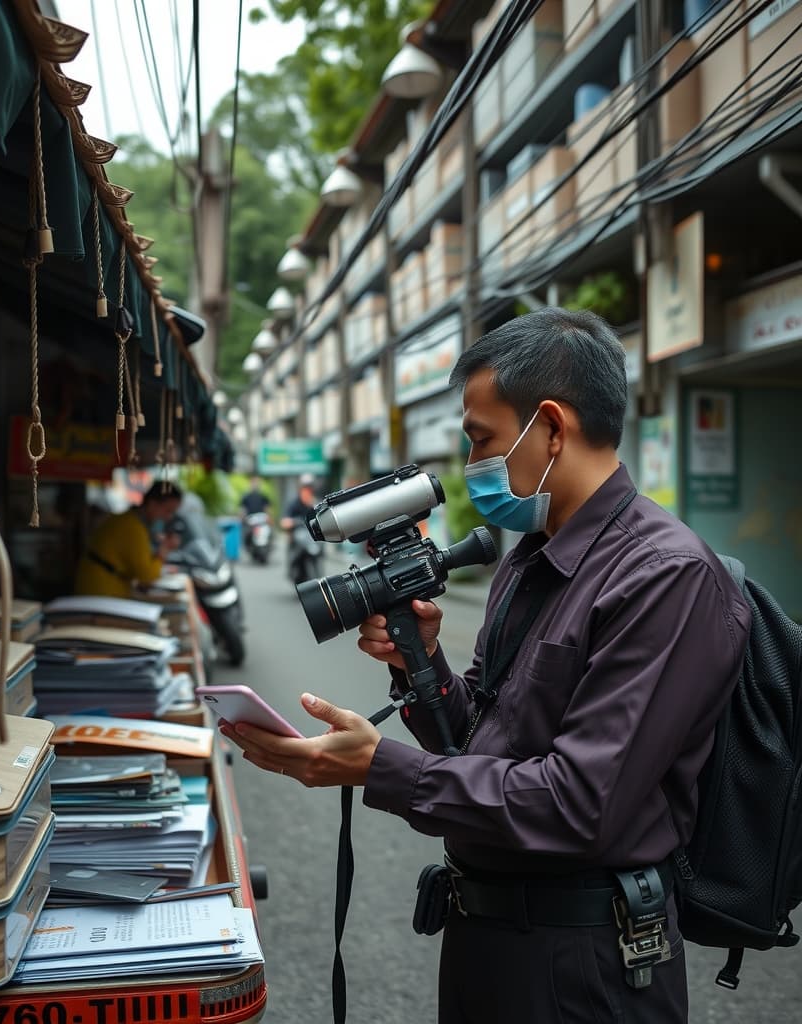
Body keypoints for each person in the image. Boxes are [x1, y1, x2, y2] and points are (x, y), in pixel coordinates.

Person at [218, 308, 751, 1024]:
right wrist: (423, 662)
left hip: (584, 961)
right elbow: (478, 742)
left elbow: (577, 804)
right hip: (488, 936)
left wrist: (377, 768)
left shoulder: (664, 576)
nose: (473, 466)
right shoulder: (531, 559)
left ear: (552, 429)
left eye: (482, 439)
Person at [74, 480, 183, 598]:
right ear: (152, 504)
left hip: (100, 588)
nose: (169, 517)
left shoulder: (131, 521)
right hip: (100, 593)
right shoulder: (133, 528)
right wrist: (164, 551)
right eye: (168, 511)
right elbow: (146, 577)